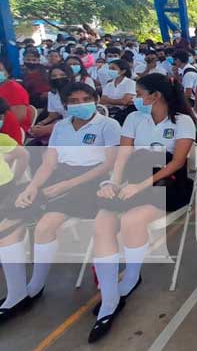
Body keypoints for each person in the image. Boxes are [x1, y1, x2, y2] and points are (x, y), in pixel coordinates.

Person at [0, 83, 119, 322]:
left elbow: (108, 165)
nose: (80, 104)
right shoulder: (62, 127)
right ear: (65, 104)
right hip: (61, 179)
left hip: (93, 182)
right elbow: (49, 163)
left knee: (58, 227)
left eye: (86, 98)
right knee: (20, 225)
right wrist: (33, 187)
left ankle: (37, 285)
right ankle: (20, 292)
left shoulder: (108, 125)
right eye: (73, 101)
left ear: (95, 99)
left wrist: (66, 186)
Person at [90, 74, 195, 342]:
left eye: (139, 93)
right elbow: (124, 155)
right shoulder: (135, 119)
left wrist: (141, 186)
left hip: (168, 182)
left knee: (131, 221)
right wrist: (113, 182)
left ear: (155, 96)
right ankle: (110, 299)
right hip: (135, 176)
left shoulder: (182, 122)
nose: (136, 98)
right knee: (103, 221)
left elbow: (178, 162)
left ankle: (131, 277)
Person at [100, 59, 136, 124]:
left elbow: (124, 101)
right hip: (108, 111)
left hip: (123, 114)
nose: (110, 71)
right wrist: (118, 101)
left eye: (113, 69)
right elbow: (102, 101)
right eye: (109, 68)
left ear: (123, 71)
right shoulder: (108, 84)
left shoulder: (130, 83)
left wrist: (108, 100)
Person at [0, 58, 31, 132]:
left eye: (0, 70)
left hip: (10, 130)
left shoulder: (14, 89)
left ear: (7, 73)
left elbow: (19, 117)